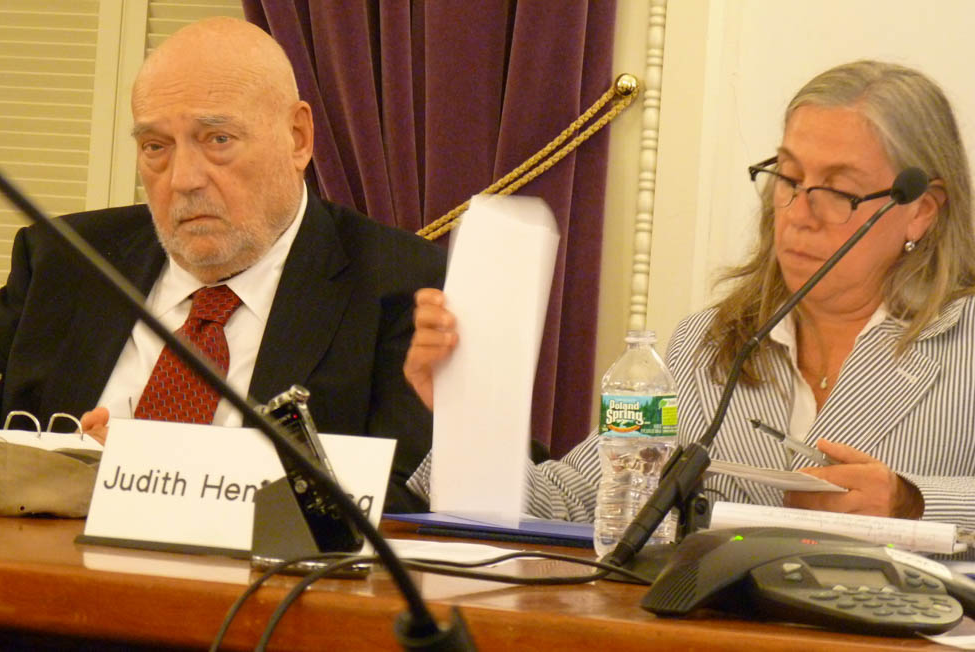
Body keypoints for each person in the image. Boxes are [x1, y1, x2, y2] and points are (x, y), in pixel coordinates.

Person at [403, 60, 975, 531]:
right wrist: (468, 408)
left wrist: (913, 504)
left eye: (840, 191)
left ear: (921, 210)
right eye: (790, 178)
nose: (800, 213)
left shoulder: (965, 343)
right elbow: (579, 504)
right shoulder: (706, 344)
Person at [0, 17, 445, 513]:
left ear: (297, 138)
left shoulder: (403, 284)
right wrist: (66, 472)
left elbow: (405, 503)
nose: (183, 179)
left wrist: (141, 474)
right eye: (156, 147)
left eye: (217, 139)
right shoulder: (63, 262)